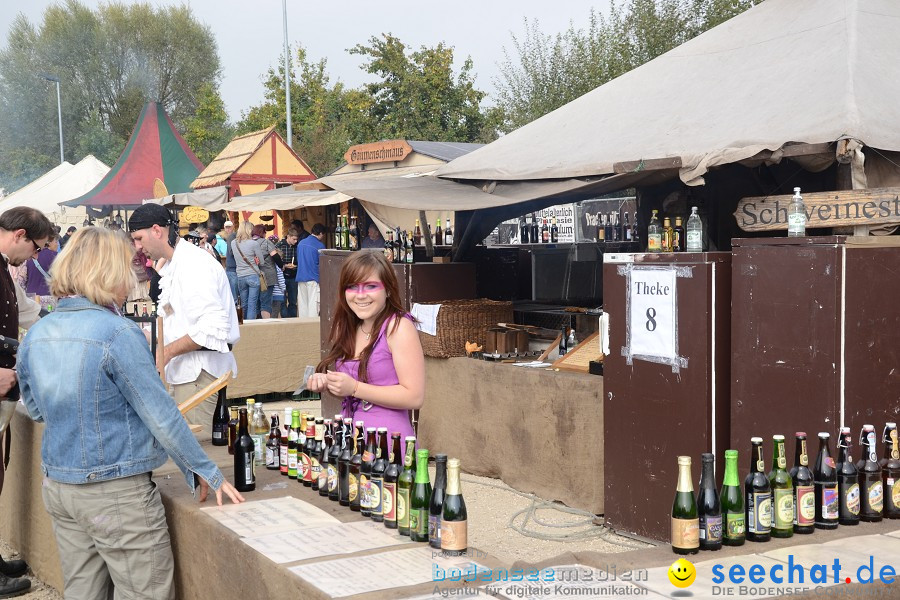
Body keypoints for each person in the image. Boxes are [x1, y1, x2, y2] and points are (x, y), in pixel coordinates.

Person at [18, 227, 244, 599]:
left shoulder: (40, 332)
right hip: (114, 492)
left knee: (83, 591)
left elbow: (39, 410)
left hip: (59, 485)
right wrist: (205, 469)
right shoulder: (118, 333)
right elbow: (161, 414)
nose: (132, 276)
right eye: (128, 267)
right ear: (107, 273)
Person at [129, 204, 240, 426]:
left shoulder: (194, 264)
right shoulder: (175, 264)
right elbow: (173, 319)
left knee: (200, 453)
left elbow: (212, 328)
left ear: (157, 231)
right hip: (188, 374)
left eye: (139, 238)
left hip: (199, 375)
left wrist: (166, 352)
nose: (137, 247)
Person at [307, 251, 423, 447]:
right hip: (351, 440)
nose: (361, 295)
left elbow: (414, 396)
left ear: (387, 289)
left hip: (389, 444)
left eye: (370, 286)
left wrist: (354, 387)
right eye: (352, 287)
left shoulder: (399, 327)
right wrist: (330, 383)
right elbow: (353, 390)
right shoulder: (351, 327)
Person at [0, 206, 54, 597]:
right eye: (35, 248)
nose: (34, 257)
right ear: (19, 234)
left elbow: (30, 312)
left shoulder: (4, 269)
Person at [295, 223, 325, 318]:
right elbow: (322, 264)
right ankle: (312, 328)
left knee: (302, 304)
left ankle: (303, 326)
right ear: (320, 233)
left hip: (301, 277)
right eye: (322, 235)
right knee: (313, 305)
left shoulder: (301, 243)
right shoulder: (320, 245)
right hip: (313, 277)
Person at [253, 224, 280, 319]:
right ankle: (266, 325)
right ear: (262, 232)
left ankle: (256, 323)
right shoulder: (266, 242)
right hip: (268, 276)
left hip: (254, 275)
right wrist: (282, 266)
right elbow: (275, 256)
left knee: (256, 301)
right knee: (266, 301)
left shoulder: (249, 243)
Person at [275, 228, 300, 317]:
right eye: (294, 239)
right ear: (288, 237)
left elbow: (299, 260)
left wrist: (295, 265)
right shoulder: (279, 246)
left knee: (293, 301)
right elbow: (275, 262)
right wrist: (285, 265)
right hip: (283, 276)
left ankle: (292, 319)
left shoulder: (297, 247)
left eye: (296, 239)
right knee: (282, 301)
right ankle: (285, 319)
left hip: (293, 276)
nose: (296, 241)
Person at [223, 220, 238, 302]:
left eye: (230, 227)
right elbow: (231, 252)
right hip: (232, 267)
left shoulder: (232, 237)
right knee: (234, 291)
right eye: (227, 228)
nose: (228, 229)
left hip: (232, 266)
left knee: (234, 291)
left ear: (233, 227)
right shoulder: (231, 237)